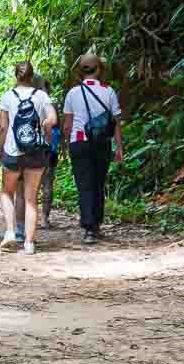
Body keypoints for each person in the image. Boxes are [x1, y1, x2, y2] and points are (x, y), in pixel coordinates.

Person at [63, 53, 124, 245]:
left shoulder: (73, 93)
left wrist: (66, 145)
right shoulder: (108, 91)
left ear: (81, 70)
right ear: (99, 69)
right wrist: (119, 146)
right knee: (98, 182)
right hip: (101, 144)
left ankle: (89, 227)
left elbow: (67, 124)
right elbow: (116, 123)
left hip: (79, 142)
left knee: (84, 184)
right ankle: (95, 224)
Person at [0, 62, 56, 255]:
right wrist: (46, 129)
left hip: (13, 151)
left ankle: (11, 232)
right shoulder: (41, 96)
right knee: (31, 199)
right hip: (35, 152)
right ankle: (29, 244)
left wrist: (1, 149)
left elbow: (4, 127)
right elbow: (53, 119)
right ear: (32, 77)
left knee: (7, 193)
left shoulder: (7, 96)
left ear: (16, 76)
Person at [14, 76, 60, 240]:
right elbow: (56, 125)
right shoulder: (50, 103)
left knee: (23, 189)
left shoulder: (23, 99)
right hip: (49, 149)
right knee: (47, 183)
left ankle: (21, 226)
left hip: (26, 148)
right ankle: (44, 218)